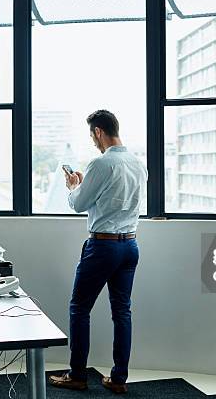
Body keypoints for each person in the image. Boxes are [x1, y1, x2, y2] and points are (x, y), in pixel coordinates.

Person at [49, 110, 148, 394]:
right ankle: (118, 379)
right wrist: (86, 186)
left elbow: (79, 203)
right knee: (122, 312)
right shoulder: (138, 164)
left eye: (92, 136)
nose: (93, 141)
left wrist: (74, 186)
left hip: (103, 246)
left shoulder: (102, 163)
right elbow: (114, 201)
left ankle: (77, 375)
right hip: (130, 245)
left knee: (79, 308)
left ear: (98, 132)